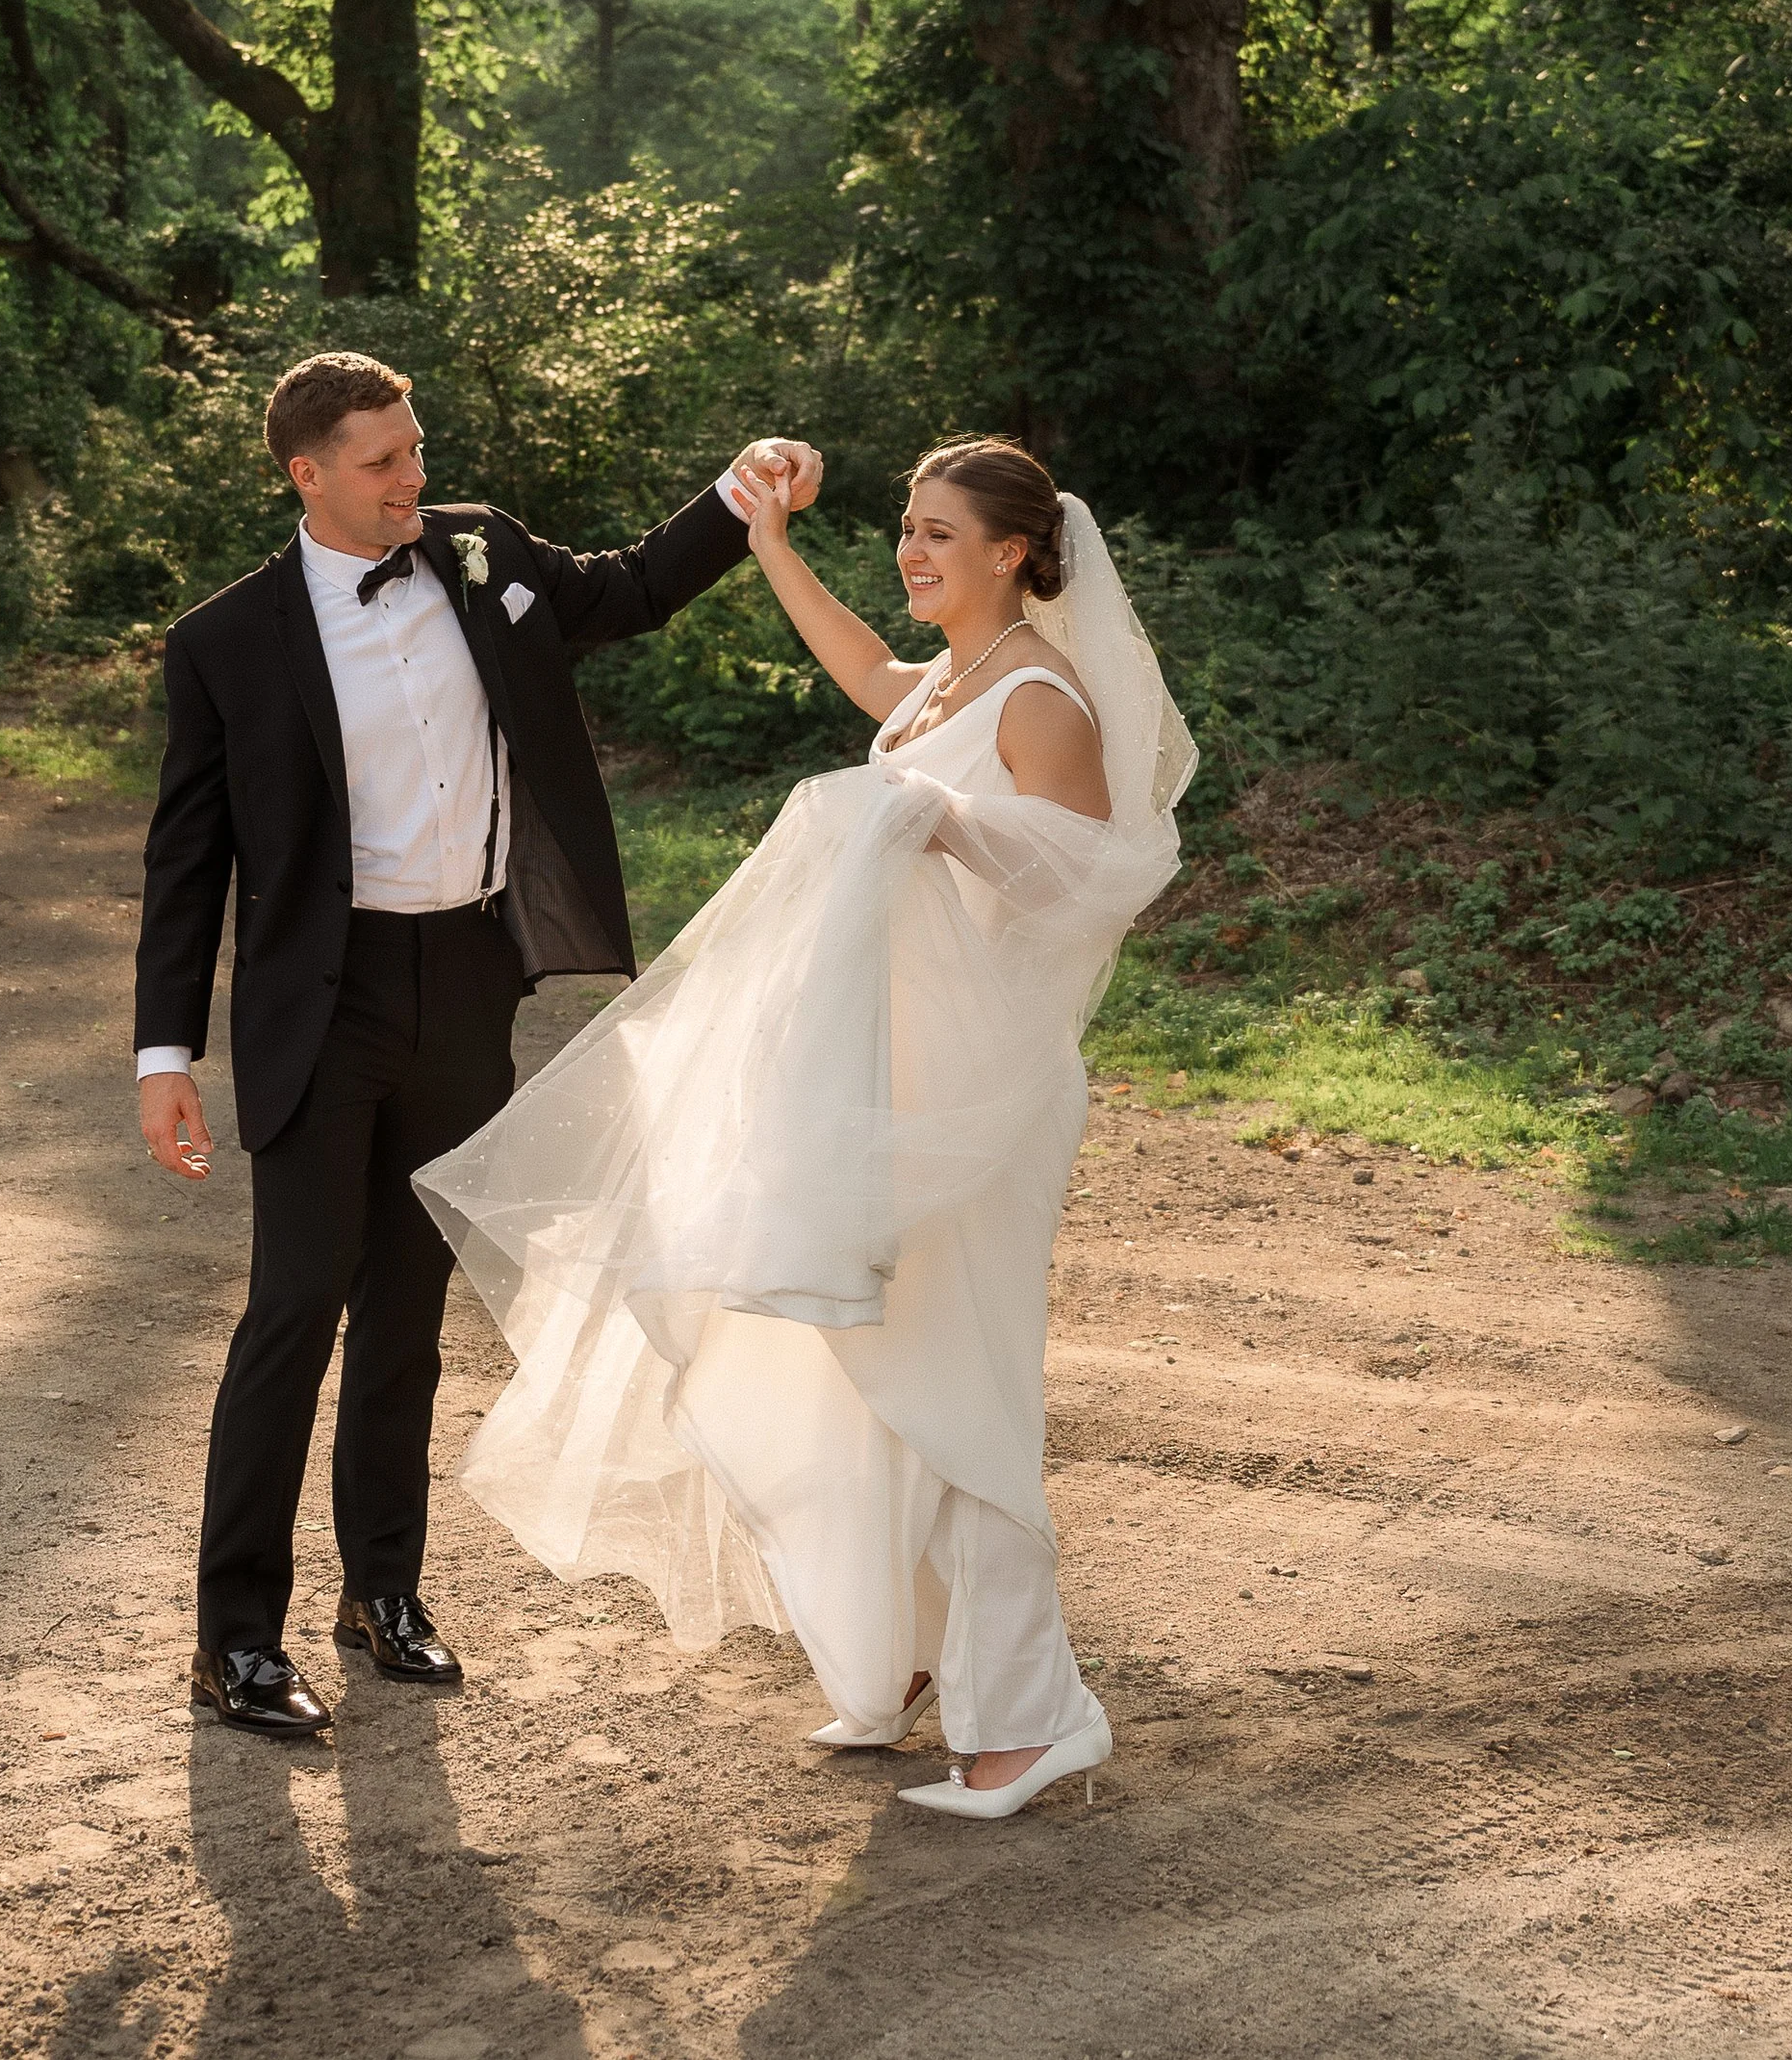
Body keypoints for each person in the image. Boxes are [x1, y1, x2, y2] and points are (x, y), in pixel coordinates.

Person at [416, 434, 1193, 1821]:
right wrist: (770, 544)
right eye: (906, 528)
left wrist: (937, 823)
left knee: (957, 1389)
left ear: (1015, 551)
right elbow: (875, 685)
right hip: (882, 1080)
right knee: (852, 1371)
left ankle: (1031, 1722)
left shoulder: (1043, 698)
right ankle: (895, 1664)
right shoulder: (950, 683)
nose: (911, 552)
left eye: (940, 534)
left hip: (977, 1097)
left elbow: (1096, 877)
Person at [132, 348, 825, 1740]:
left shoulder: (478, 554)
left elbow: (626, 590)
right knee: (294, 1313)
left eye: (417, 450)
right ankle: (236, 1641)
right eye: (383, 461)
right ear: (306, 473)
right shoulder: (224, 645)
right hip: (320, 1004)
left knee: (409, 1320)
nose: (414, 480)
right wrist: (164, 1056)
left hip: (467, 982)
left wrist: (737, 499)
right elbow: (186, 862)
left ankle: (383, 1597)